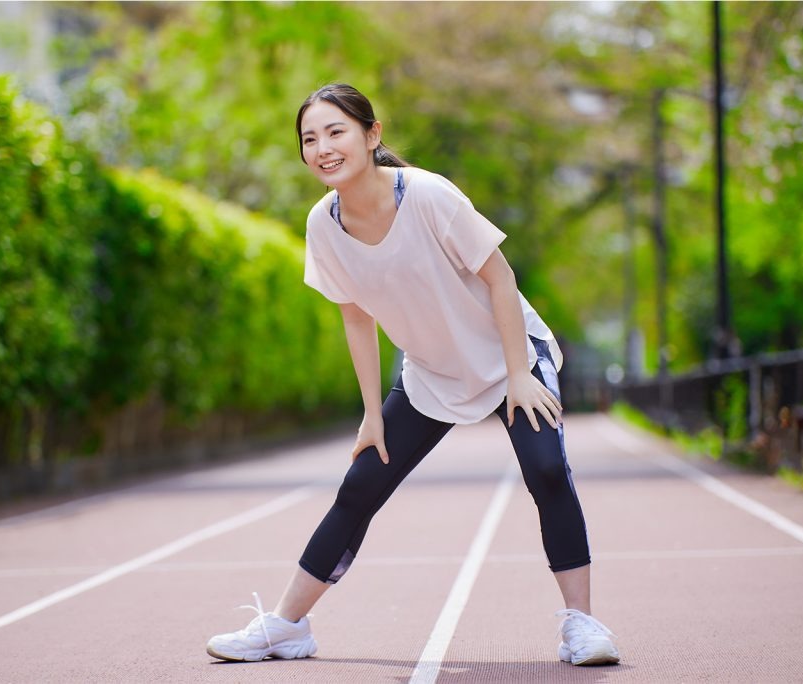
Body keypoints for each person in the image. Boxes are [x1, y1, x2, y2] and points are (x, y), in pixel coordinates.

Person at [205, 83, 619, 667]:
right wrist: (373, 416)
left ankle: (583, 626)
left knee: (547, 469)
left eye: (336, 132)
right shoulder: (323, 225)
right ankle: (285, 627)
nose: (323, 147)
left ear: (372, 136)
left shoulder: (428, 196)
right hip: (431, 374)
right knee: (359, 488)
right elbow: (357, 320)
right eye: (309, 138)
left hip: (510, 359)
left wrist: (521, 374)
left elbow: (501, 280)